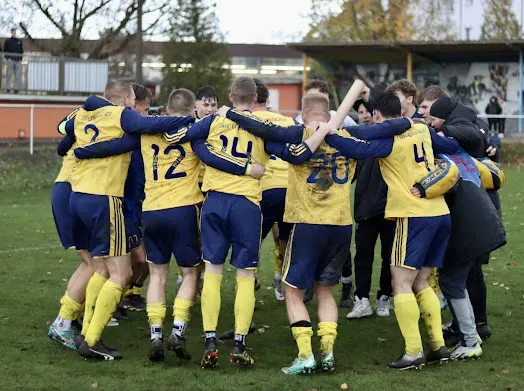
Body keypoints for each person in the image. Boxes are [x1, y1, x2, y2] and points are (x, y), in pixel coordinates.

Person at [224, 80, 414, 375]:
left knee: (293, 291)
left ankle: (305, 355)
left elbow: (266, 136)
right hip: (339, 224)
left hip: (306, 223)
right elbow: (388, 131)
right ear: (329, 114)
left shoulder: (297, 137)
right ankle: (327, 351)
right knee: (325, 291)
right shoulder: (347, 135)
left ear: (303, 114)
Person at [163, 77, 319, 369]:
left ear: (231, 96)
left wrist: (201, 142)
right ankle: (239, 344)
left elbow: (185, 137)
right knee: (246, 275)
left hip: (215, 201)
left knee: (212, 271)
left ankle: (210, 340)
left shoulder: (213, 121)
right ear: (258, 97)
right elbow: (292, 148)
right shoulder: (261, 128)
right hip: (246, 204)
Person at [57, 80, 196, 360]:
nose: (135, 109)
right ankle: (92, 339)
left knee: (102, 270)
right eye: (133, 102)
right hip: (103, 198)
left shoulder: (84, 114)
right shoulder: (120, 115)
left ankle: (85, 330)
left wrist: (88, 150)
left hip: (77, 195)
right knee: (122, 274)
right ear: (123, 100)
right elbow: (146, 128)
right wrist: (188, 120)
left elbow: (63, 141)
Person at [326, 90, 460, 369]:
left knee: (400, 283)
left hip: (413, 216)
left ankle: (413, 352)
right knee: (422, 281)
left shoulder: (389, 139)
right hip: (439, 212)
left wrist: (327, 133)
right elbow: (449, 146)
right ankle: (437, 346)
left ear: (376, 114)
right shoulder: (420, 128)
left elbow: (356, 149)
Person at [418, 88, 501, 341]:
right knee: (462, 273)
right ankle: (466, 326)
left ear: (443, 110)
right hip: (478, 212)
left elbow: (476, 138)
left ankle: (475, 328)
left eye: (430, 111)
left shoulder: (462, 126)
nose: (426, 117)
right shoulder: (465, 127)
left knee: (466, 272)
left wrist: (439, 134)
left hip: (474, 212)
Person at [48, 107, 92, 351]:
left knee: (92, 262)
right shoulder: (103, 116)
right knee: (96, 264)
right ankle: (63, 322)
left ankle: (69, 317)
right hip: (71, 189)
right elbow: (63, 127)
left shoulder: (90, 116)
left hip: (72, 189)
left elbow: (62, 137)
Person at [346, 98, 394, 318]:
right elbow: (352, 174)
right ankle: (361, 299)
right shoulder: (362, 139)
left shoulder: (398, 137)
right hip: (365, 206)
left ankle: (384, 297)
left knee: (389, 256)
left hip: (392, 207)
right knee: (363, 255)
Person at [251, 78, 296, 301]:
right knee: (287, 240)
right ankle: (289, 286)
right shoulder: (286, 120)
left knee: (251, 240)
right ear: (267, 99)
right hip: (289, 187)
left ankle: (249, 280)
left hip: (263, 188)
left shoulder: (246, 120)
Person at [120, 83, 151, 313]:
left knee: (144, 260)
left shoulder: (139, 134)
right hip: (123, 205)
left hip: (139, 203)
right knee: (138, 260)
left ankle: (127, 296)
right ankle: (116, 298)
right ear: (133, 104)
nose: (147, 115)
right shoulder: (125, 130)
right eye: (146, 110)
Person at [3, 24, 23, 93]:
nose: (14, 32)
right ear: (11, 32)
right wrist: (7, 58)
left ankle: (16, 89)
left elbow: (21, 50)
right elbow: (5, 50)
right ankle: (7, 89)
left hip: (17, 61)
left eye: (15, 31)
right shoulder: (8, 41)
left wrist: (20, 59)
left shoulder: (19, 41)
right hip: (10, 60)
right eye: (13, 31)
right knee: (9, 75)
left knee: (17, 76)